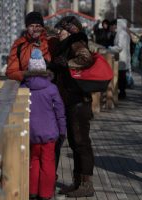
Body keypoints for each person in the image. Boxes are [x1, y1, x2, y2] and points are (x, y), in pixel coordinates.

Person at [51, 16, 95, 198]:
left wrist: (67, 64)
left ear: (69, 30)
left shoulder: (76, 42)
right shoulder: (68, 43)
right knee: (75, 141)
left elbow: (87, 59)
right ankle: (78, 181)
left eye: (60, 30)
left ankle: (86, 184)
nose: (58, 34)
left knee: (81, 142)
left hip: (78, 100)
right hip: (71, 99)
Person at [25, 49, 66, 200]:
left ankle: (32, 191)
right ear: (43, 68)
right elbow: (60, 112)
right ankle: (45, 194)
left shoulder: (25, 88)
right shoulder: (51, 88)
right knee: (47, 163)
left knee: (34, 161)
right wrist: (62, 131)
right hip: (49, 133)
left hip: (32, 133)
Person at [6, 11, 51, 81]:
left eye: (38, 26)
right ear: (27, 27)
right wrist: (27, 75)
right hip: (27, 86)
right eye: (31, 26)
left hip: (48, 85)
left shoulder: (50, 42)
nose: (35, 29)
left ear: (42, 27)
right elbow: (11, 71)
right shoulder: (19, 45)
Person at [109, 19, 132, 99]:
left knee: (121, 77)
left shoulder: (121, 34)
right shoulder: (124, 33)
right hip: (123, 58)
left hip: (121, 58)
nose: (114, 26)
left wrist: (110, 48)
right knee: (122, 76)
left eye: (116, 24)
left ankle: (121, 93)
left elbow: (119, 47)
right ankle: (122, 92)